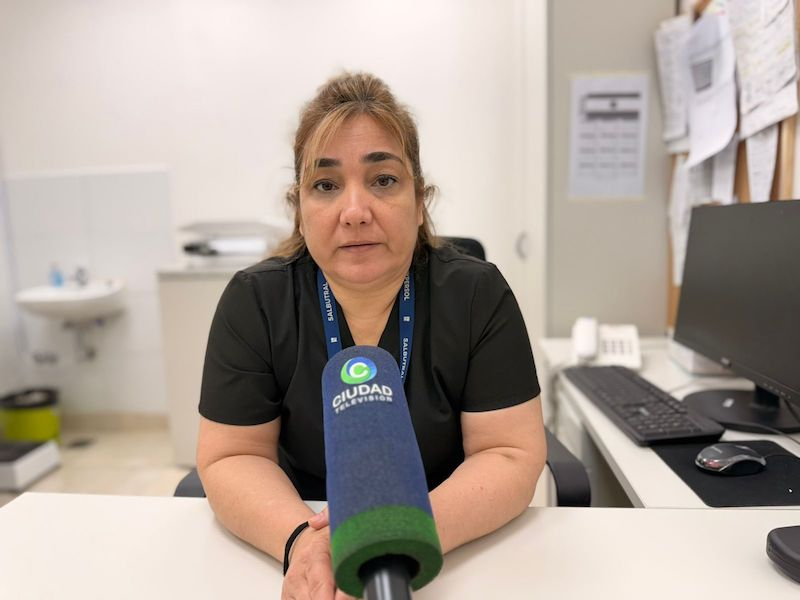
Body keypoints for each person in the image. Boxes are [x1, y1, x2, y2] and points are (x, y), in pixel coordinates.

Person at [196, 72, 547, 600]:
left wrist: (396, 538)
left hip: (444, 545)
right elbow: (231, 456)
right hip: (302, 533)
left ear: (420, 200)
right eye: (326, 185)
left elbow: (510, 452)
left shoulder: (477, 294)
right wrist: (305, 545)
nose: (355, 212)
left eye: (383, 180)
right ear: (299, 208)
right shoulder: (256, 302)